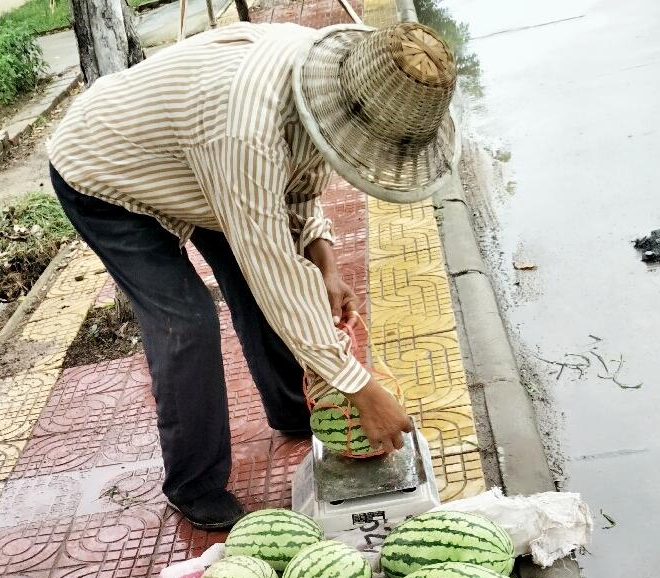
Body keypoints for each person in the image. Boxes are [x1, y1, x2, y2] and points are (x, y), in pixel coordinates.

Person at [48, 20, 457, 529]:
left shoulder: (329, 83)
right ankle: (192, 483)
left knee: (266, 274)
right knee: (187, 322)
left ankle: (290, 409)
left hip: (197, 159)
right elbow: (273, 271)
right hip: (103, 170)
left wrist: (324, 258)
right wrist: (361, 388)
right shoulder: (247, 131)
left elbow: (303, 181)